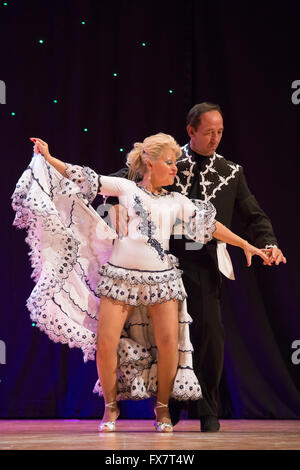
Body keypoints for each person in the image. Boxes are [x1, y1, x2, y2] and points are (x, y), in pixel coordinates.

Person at [11, 133, 268, 434]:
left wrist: (246, 245)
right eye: (170, 162)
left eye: (176, 163)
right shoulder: (127, 187)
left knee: (169, 343)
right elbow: (84, 176)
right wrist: (50, 157)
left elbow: (212, 226)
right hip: (120, 277)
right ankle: (110, 408)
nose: (175, 169)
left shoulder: (177, 201)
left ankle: (162, 411)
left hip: (161, 280)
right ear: (149, 161)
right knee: (106, 344)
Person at [103, 103, 287, 432]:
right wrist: (111, 206)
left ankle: (208, 407)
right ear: (191, 131)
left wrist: (265, 244)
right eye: (208, 132)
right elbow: (123, 180)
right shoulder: (169, 160)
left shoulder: (232, 171)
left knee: (210, 335)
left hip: (203, 261)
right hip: (165, 259)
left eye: (220, 132)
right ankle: (167, 408)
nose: (215, 138)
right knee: (164, 337)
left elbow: (253, 214)